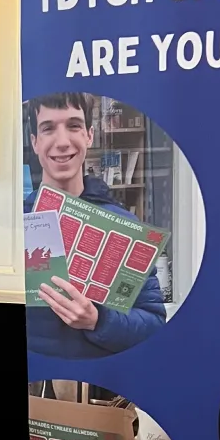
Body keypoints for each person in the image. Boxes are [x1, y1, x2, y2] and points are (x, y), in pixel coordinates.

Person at [24, 92, 166, 360]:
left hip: (98, 381)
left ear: (89, 135)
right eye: (48, 128)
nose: (62, 142)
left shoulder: (124, 226)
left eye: (74, 125)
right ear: (35, 142)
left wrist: (98, 320)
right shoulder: (13, 227)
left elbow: (153, 325)